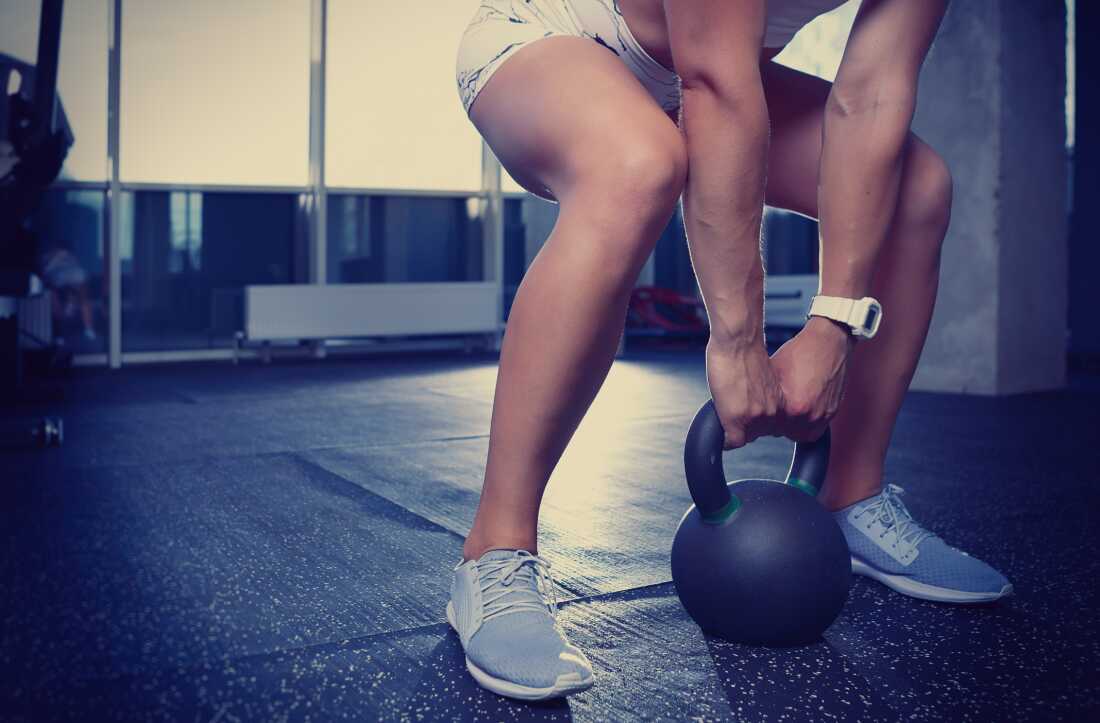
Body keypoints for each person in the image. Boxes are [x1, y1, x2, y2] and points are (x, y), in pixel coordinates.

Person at [449, 0, 1011, 701]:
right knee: (640, 161)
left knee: (918, 187)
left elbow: (872, 94)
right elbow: (714, 82)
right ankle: (494, 553)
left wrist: (834, 322)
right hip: (552, 39)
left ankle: (852, 496)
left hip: (702, 66)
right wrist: (738, 340)